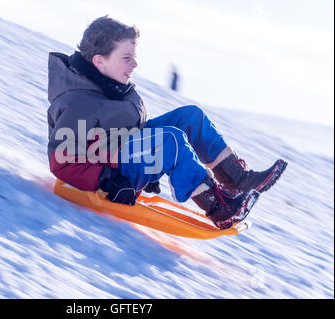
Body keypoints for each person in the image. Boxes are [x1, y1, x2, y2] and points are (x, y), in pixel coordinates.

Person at [47, 16, 287, 229]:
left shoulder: (107, 82)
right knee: (169, 141)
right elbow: (63, 161)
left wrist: (149, 166)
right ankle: (219, 208)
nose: (135, 65)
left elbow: (127, 130)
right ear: (100, 61)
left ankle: (237, 180)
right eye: (127, 58)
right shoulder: (79, 102)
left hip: (124, 152)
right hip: (109, 177)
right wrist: (110, 181)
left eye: (134, 57)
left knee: (190, 117)